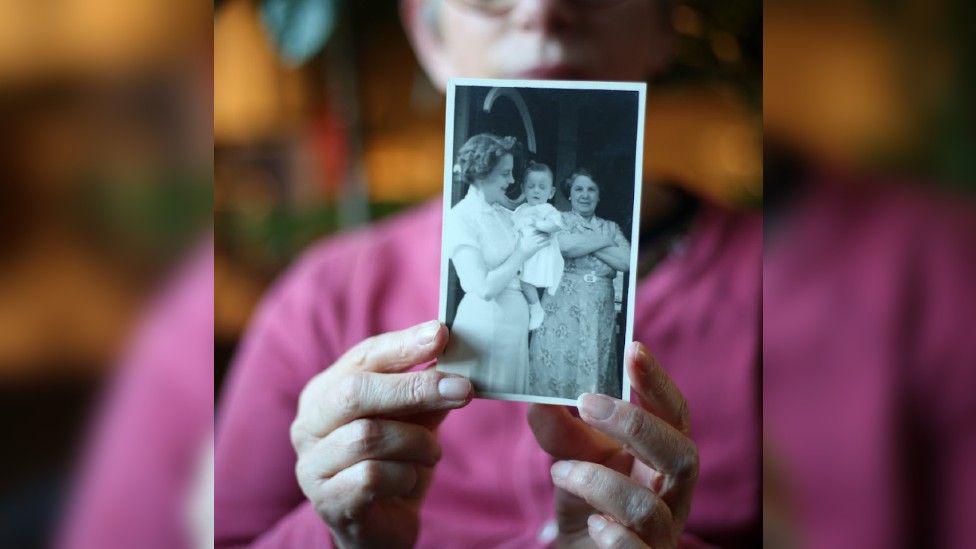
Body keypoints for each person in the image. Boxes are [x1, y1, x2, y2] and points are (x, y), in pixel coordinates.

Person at [216, 2, 759, 548]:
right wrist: (339, 535)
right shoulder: (324, 300)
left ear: (665, 24)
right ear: (430, 38)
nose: (542, 11)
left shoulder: (787, 283)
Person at [438, 134, 549, 394]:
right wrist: (521, 253)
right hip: (486, 326)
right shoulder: (460, 218)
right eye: (505, 174)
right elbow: (483, 288)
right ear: (481, 175)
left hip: (515, 326)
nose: (511, 181)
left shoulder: (503, 214)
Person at [529, 169, 631, 399]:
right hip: (562, 310)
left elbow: (625, 262)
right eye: (579, 189)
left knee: (594, 365)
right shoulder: (558, 220)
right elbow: (564, 246)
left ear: (598, 195)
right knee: (558, 363)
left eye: (591, 189)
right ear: (570, 194)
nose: (585, 195)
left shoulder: (611, 227)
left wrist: (588, 243)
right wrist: (605, 242)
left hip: (598, 313)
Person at [511, 161, 565, 330]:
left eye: (542, 187)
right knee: (517, 281)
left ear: (551, 192)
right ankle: (527, 310)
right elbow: (513, 225)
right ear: (523, 188)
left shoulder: (548, 209)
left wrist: (539, 224)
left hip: (540, 253)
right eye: (531, 186)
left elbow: (556, 225)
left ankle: (536, 308)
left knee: (526, 282)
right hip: (523, 251)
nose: (536, 190)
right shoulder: (520, 210)